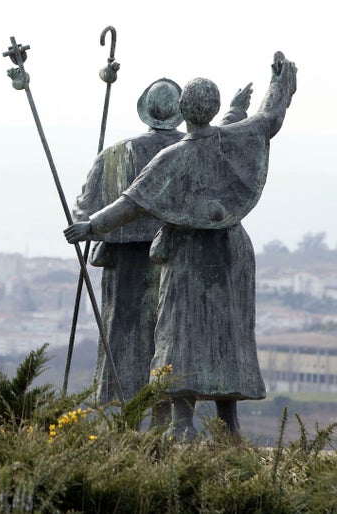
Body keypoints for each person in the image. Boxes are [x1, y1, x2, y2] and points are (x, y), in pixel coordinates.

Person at [65, 52, 297, 440]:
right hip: (231, 250)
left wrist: (90, 226)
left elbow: (130, 205)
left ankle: (181, 425)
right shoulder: (234, 138)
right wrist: (280, 83)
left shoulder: (172, 157)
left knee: (181, 333)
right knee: (228, 336)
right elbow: (269, 119)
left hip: (190, 254)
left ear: (182, 112)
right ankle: (228, 426)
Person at [74, 78, 253, 425]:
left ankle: (134, 423)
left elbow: (86, 210)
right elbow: (227, 133)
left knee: (129, 346)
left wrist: (89, 226)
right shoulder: (198, 147)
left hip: (126, 264)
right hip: (180, 257)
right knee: (174, 341)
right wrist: (238, 108)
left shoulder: (116, 153)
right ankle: (171, 421)